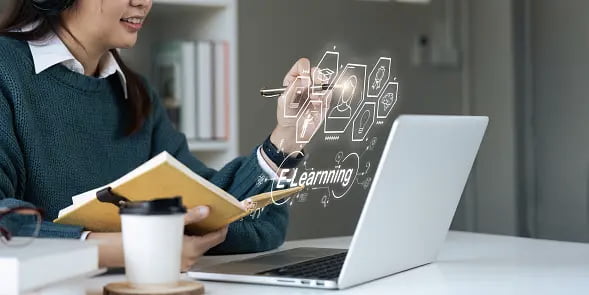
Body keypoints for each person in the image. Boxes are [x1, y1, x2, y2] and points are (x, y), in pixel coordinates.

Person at [0, 0, 327, 270]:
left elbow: (241, 216)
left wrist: (287, 137)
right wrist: (120, 249)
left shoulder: (136, 96)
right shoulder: (6, 72)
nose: (143, 2)